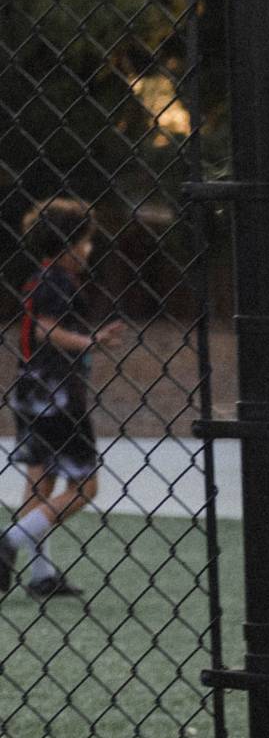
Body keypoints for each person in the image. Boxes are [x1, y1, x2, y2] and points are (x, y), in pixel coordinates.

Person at [5, 198, 128, 600]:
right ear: (71, 243)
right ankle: (9, 540)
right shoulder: (57, 281)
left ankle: (40, 575)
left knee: (40, 481)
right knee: (84, 486)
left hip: (29, 388)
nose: (88, 250)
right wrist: (92, 341)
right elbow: (47, 330)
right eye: (85, 242)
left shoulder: (39, 278)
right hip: (56, 394)